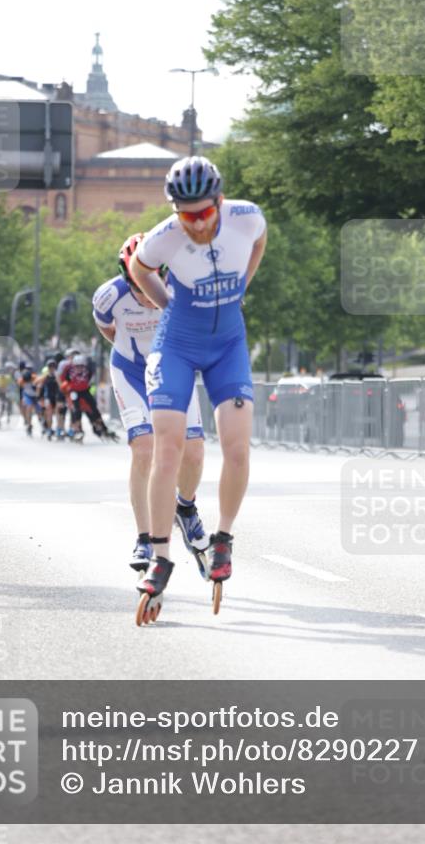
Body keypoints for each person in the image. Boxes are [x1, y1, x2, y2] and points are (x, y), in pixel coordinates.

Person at [131, 156, 267, 604]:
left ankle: (223, 538)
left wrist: (242, 287)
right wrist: (166, 303)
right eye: (185, 216)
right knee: (165, 447)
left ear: (220, 201)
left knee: (237, 446)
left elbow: (260, 242)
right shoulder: (165, 235)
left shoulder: (246, 218)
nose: (195, 224)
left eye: (204, 214)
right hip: (177, 344)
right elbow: (139, 268)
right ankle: (160, 555)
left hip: (228, 344)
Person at [93, 233, 207, 573]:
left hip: (173, 369)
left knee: (194, 450)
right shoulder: (108, 296)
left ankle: (185, 509)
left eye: (151, 286)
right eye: (138, 287)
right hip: (129, 371)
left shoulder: (184, 288)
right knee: (143, 449)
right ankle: (144, 537)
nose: (145, 297)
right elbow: (107, 330)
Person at [58, 352, 118, 442]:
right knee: (76, 410)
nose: (79, 368)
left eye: (81, 366)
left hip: (85, 390)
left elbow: (90, 377)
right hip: (74, 391)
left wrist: (87, 385)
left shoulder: (87, 369)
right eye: (77, 366)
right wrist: (68, 387)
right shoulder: (68, 369)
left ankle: (103, 428)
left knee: (94, 408)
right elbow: (63, 379)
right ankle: (77, 430)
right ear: (73, 365)